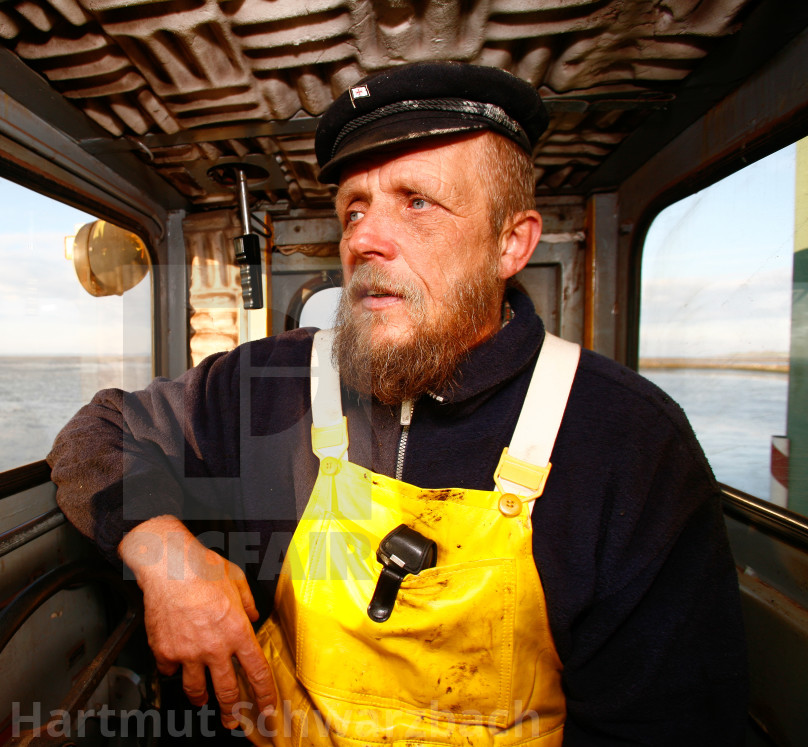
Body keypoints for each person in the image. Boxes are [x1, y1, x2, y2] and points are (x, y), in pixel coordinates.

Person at [48, 62, 747, 745]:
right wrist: (169, 557)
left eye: (416, 202)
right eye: (355, 206)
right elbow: (96, 435)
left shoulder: (628, 439)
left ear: (512, 243)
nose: (364, 238)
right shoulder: (271, 379)